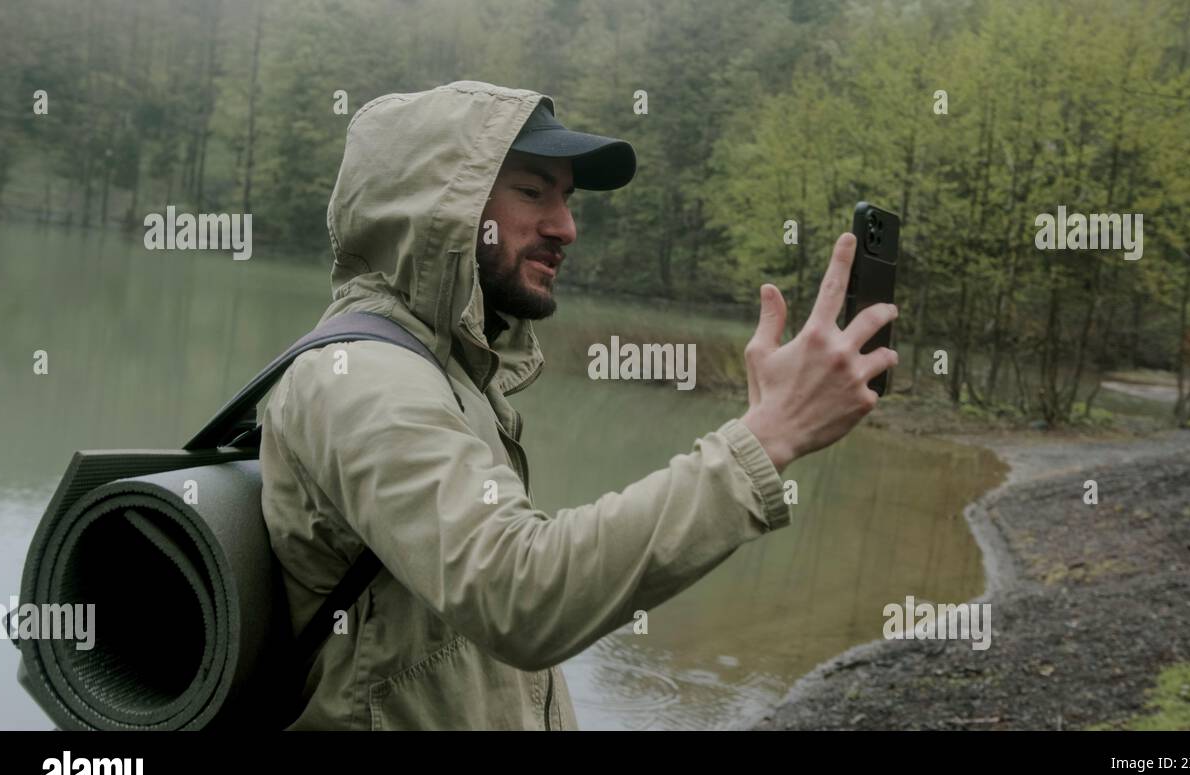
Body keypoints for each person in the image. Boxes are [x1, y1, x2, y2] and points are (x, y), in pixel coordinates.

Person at [259, 80, 898, 730]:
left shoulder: (454, 374)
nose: (565, 226)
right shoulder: (361, 376)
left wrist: (765, 427)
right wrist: (765, 439)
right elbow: (519, 593)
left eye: (565, 198)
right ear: (439, 206)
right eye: (532, 192)